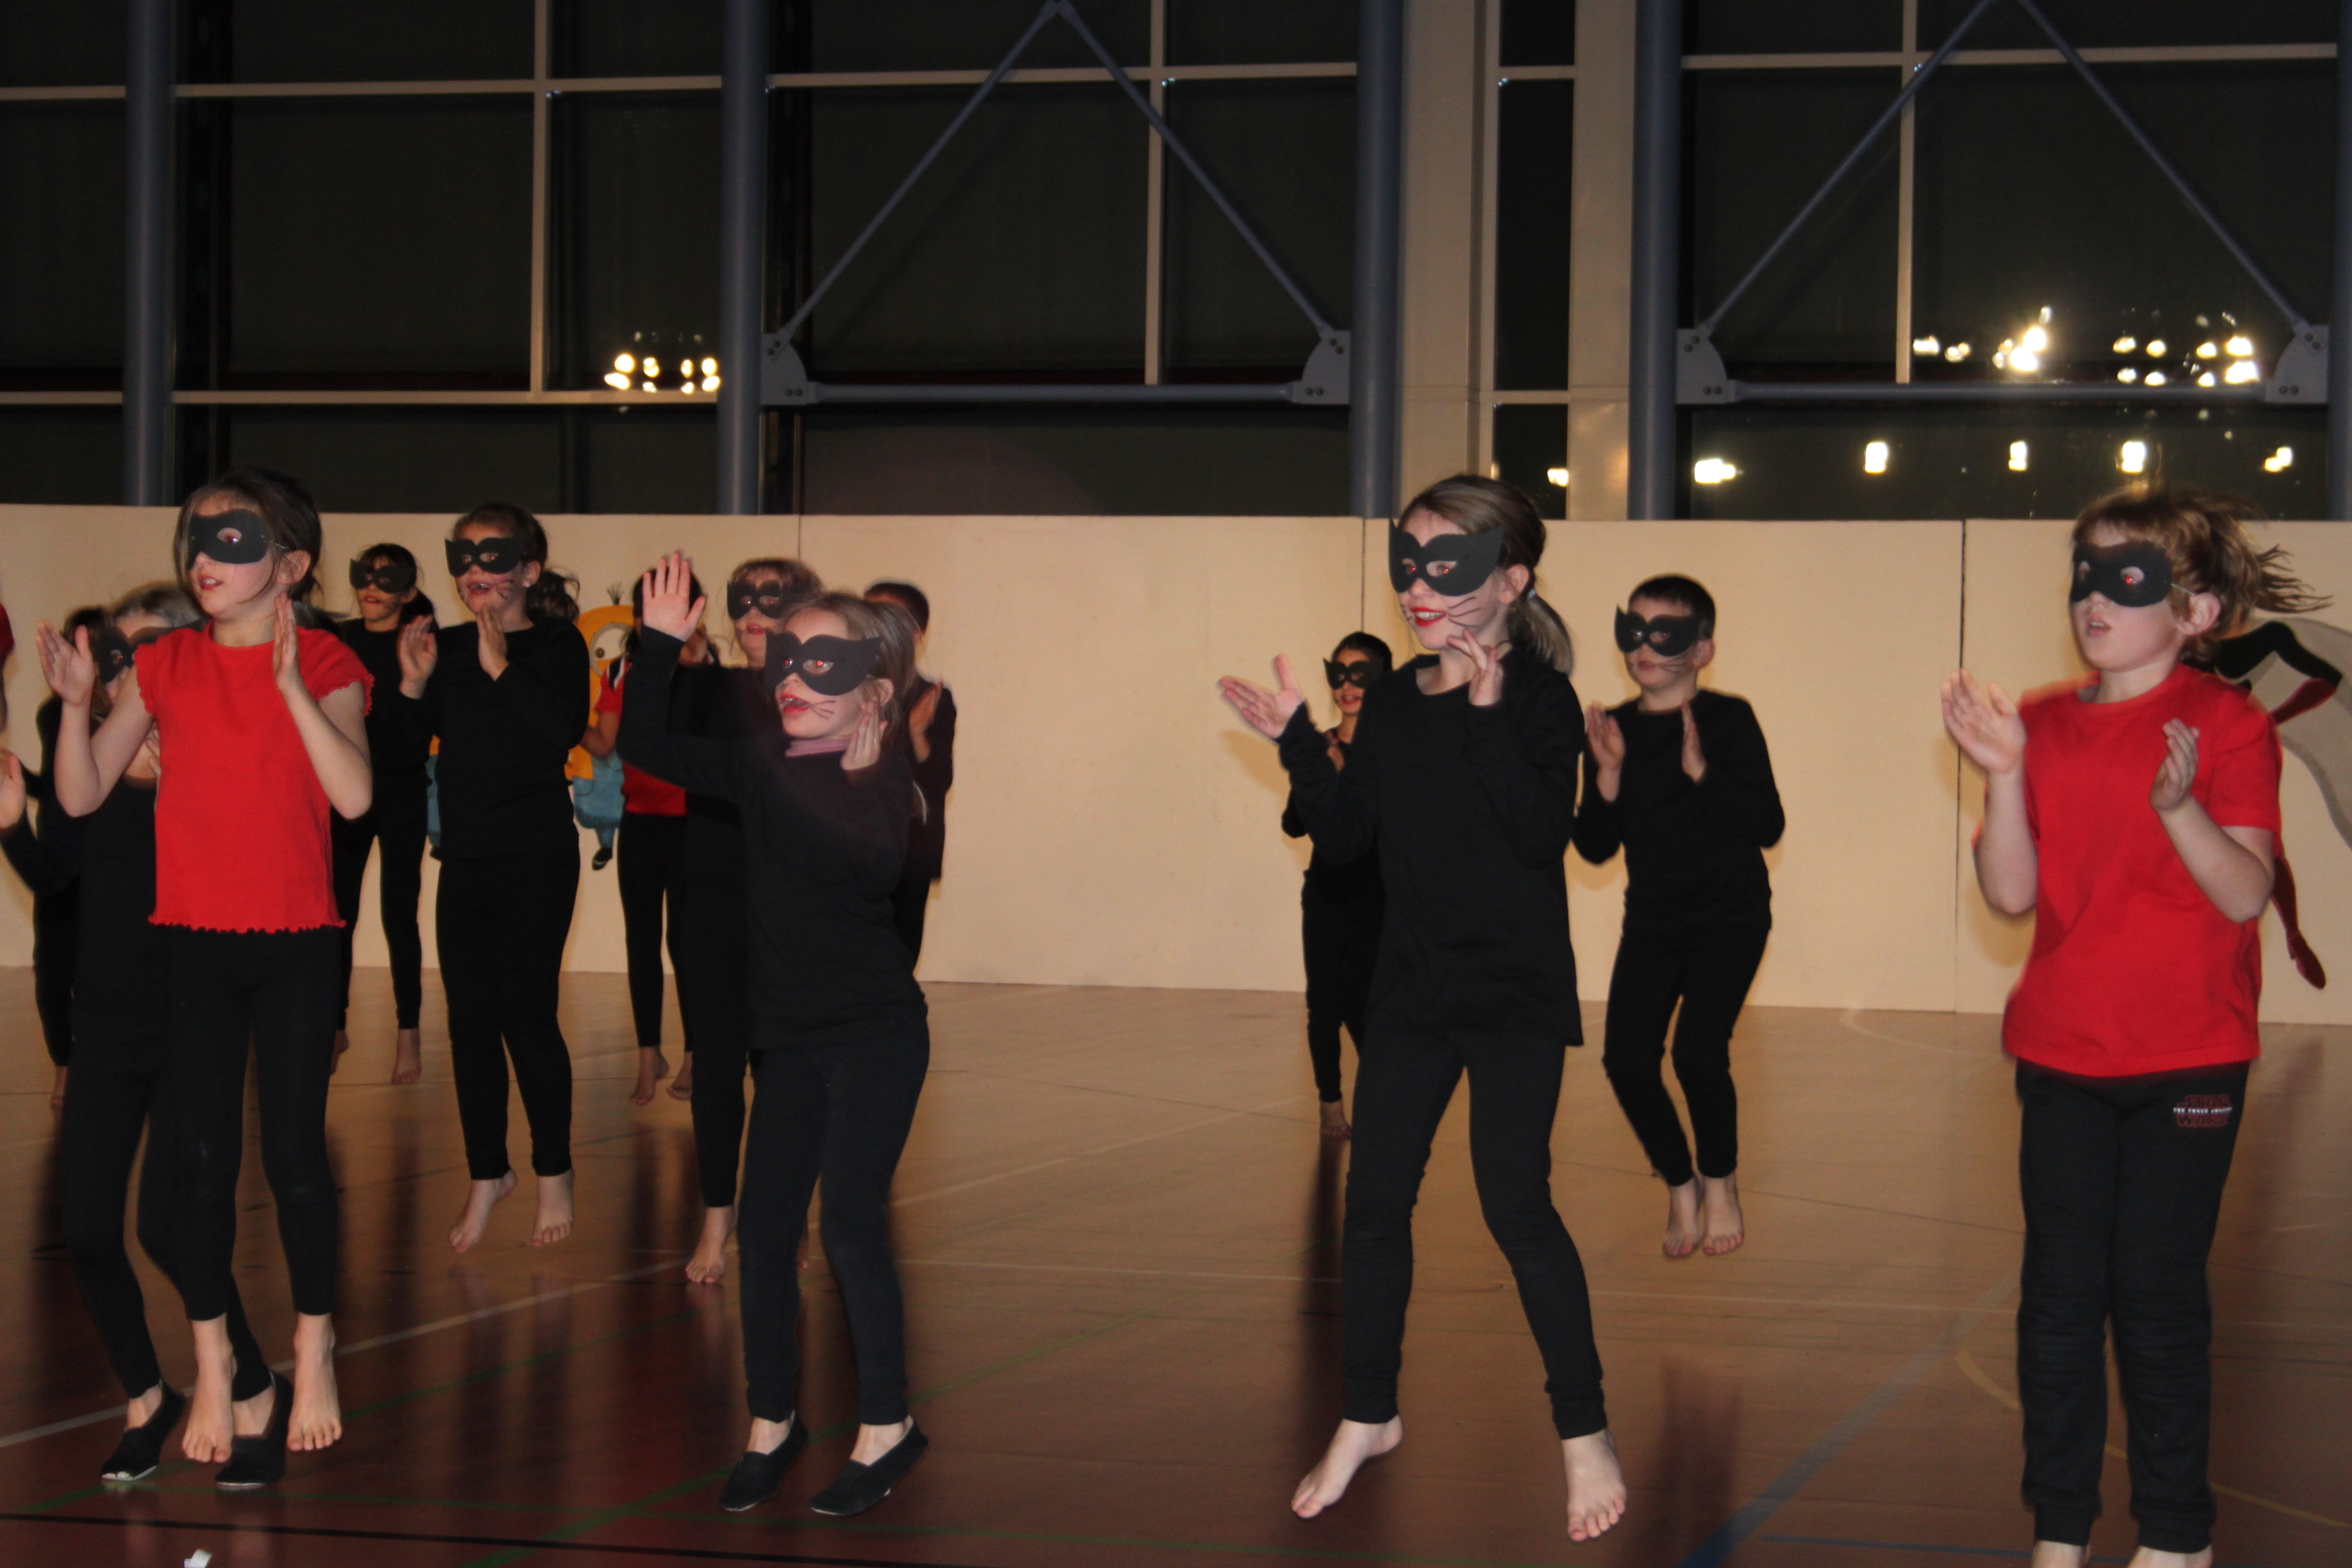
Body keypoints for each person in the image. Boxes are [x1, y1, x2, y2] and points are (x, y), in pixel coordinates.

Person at [1219, 474, 1625, 1544]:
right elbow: (1350, 840)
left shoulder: (1542, 700)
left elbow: (1539, 836)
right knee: (1373, 1206)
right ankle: (1368, 1412)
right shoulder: (1395, 700)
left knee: (1515, 1205)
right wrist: (1299, 743)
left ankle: (1583, 1430)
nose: (1417, 585)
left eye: (1445, 564)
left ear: (1511, 580)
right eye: (1408, 561)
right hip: (1411, 989)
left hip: (1512, 994)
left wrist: (1485, 712)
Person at [1941, 481, 2319, 1568]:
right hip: (2063, 1054)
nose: (2094, 598)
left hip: (2188, 1060)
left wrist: (2178, 807)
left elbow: (2245, 894)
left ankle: (2177, 1533)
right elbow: (2012, 894)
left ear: (2196, 611)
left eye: (2128, 578)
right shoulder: (2041, 722)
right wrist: (2004, 775)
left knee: (2156, 1299)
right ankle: (2060, 1527)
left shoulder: (2229, 725)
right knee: (2058, 1301)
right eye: (2085, 574)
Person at [39, 469, 372, 1483]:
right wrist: (73, 707)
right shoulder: (166, 662)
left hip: (295, 939)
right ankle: (216, 1364)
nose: (206, 559)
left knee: (294, 1156)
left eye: (235, 541)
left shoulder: (325, 657)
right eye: (198, 538)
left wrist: (289, 687)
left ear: (292, 565)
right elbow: (83, 794)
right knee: (200, 1163)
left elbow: (354, 798)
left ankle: (314, 1347)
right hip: (196, 939)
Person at [623, 555, 931, 1519]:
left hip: (875, 1037)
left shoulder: (885, 779)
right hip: (789, 1038)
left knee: (849, 1222)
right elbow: (644, 744)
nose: (792, 680)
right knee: (763, 1232)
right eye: (785, 662)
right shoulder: (759, 762)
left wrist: (862, 768)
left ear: (872, 692)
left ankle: (887, 1426)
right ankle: (771, 1421)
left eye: (821, 666)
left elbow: (874, 869)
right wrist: (657, 646)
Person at [2, 583, 279, 1483]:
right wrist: (9, 827)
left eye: (148, 653)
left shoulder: (218, 758)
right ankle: (146, 1395)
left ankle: (251, 1385)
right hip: (108, 1026)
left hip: (194, 1023)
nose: (128, 672)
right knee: (86, 1228)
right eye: (117, 657)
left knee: (168, 1224)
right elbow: (54, 873)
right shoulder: (87, 761)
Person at [392, 503, 589, 1252]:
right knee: (469, 1021)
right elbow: (400, 756)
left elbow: (559, 731)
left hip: (537, 854)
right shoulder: (439, 647)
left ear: (528, 570)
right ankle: (487, 1172)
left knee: (527, 1017)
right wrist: (413, 685)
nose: (475, 569)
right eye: (464, 557)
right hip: (466, 857)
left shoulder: (558, 643)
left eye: (493, 556)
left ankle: (553, 1171)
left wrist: (500, 661)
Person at [1575, 575, 1783, 1259]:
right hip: (1654, 921)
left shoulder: (1729, 720)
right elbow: (1594, 848)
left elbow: (1768, 824)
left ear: (1701, 650)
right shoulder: (1613, 729)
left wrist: (1703, 773)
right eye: (1633, 630)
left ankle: (1720, 1183)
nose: (1643, 646)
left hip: (1731, 916)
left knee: (1697, 1052)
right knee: (1626, 1060)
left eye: (1664, 633)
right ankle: (1679, 1183)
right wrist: (1607, 775)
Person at [673, 556, 824, 1284]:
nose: (753, 614)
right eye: (742, 601)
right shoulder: (706, 688)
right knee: (716, 1063)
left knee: (784, 1066)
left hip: (791, 899)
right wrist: (671, 656)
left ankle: (786, 1212)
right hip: (713, 890)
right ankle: (716, 1216)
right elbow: (654, 745)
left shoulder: (819, 694)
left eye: (772, 600)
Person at [582, 573, 709, 1106]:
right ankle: (647, 1052)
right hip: (640, 821)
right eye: (643, 610)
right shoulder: (621, 672)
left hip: (692, 823)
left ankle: (694, 1053)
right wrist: (565, 715)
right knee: (641, 939)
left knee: (686, 942)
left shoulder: (708, 674)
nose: (648, 618)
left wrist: (695, 661)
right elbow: (603, 744)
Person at [332, 544, 436, 1083]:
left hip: (401, 790)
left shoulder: (420, 641)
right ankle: (334, 1022)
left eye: (386, 579)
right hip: (345, 789)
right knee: (337, 910)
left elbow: (417, 730)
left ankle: (408, 1030)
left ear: (408, 590)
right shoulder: (338, 639)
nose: (370, 587)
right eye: (364, 576)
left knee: (399, 912)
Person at [1280, 632, 1391, 1137]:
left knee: (1365, 1006)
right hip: (1326, 893)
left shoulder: (1393, 752)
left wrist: (1346, 777)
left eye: (1359, 674)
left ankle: (1383, 1102)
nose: (1347, 685)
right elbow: (1293, 825)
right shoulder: (1321, 745)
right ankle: (1330, 1104)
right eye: (1339, 674)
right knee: (1323, 1004)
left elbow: (1395, 826)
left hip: (1378, 896)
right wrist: (1317, 774)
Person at [2189, 618, 2335, 988]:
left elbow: (2328, 678)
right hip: (2216, 744)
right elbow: (2327, 678)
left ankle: (2290, 932)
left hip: (2226, 745)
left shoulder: (2183, 651)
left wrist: (2268, 721)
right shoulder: (2257, 640)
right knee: (2255, 840)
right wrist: (2268, 721)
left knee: (2253, 840)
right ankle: (2291, 932)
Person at [18, 606, 109, 1111]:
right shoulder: (53, 712)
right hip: (59, 856)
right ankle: (64, 1066)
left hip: (106, 860)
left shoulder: (126, 712)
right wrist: (18, 777)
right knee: (51, 972)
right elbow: (56, 784)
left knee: (102, 973)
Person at [866, 581, 955, 963]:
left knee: (899, 954)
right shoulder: (842, 690)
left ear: (915, 635)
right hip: (854, 843)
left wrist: (917, 733)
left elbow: (939, 779)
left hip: (909, 847)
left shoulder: (933, 696)